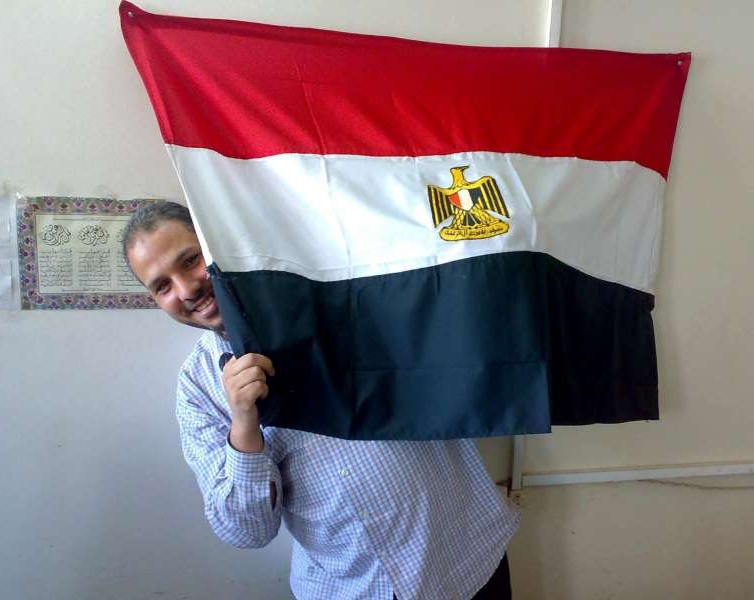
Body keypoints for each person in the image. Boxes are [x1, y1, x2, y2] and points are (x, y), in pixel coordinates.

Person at [123, 201, 520, 600]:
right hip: (352, 590)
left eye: (191, 260)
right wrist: (243, 424)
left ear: (217, 244)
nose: (187, 289)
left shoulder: (346, 295)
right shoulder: (197, 388)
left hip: (468, 560)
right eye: (162, 286)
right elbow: (248, 532)